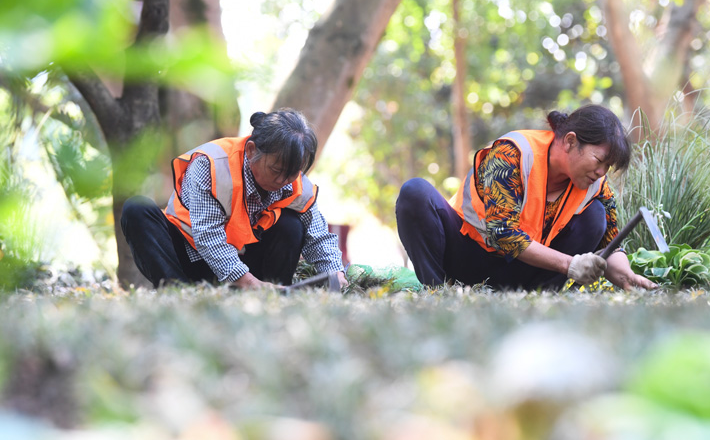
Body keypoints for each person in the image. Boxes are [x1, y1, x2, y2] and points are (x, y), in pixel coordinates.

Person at [395, 104, 657, 291]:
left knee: (596, 216)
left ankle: (543, 296)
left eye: (607, 168)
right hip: (468, 258)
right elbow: (503, 234)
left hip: (528, 273)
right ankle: (435, 290)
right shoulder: (513, 153)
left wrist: (625, 274)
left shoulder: (596, 184)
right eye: (599, 161)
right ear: (569, 141)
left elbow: (611, 240)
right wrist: (570, 264)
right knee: (416, 192)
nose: (601, 173)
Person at [121, 108, 347, 290]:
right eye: (276, 170)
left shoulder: (294, 183)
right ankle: (178, 294)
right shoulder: (211, 165)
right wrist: (248, 282)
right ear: (250, 150)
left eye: (292, 173)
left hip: (246, 264)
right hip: (190, 258)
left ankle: (273, 297)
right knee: (136, 209)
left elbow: (318, 236)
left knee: (291, 226)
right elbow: (208, 236)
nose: (283, 180)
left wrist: (335, 273)